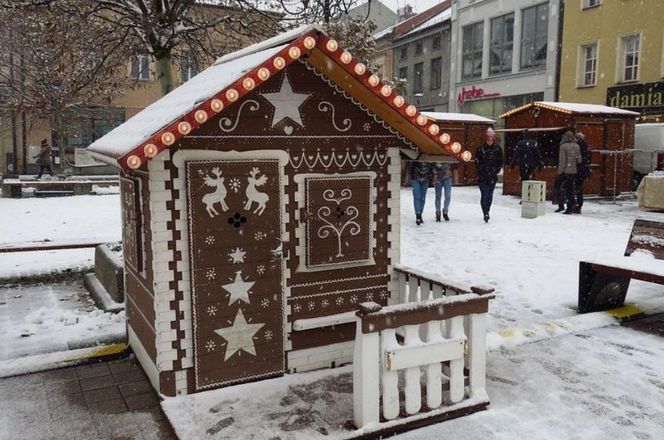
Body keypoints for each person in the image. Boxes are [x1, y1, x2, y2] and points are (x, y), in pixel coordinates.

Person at [475, 128, 503, 223]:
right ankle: (485, 212)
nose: (490, 140)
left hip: (492, 176)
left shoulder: (497, 149)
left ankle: (487, 211)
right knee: (485, 195)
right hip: (482, 176)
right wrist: (481, 169)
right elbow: (477, 161)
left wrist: (496, 170)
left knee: (490, 196)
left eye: (491, 138)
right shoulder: (480, 149)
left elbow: (500, 161)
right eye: (488, 138)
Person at [557, 131, 582, 214]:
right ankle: (572, 204)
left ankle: (566, 206)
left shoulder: (563, 146)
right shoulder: (577, 146)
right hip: (573, 171)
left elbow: (562, 160)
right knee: (571, 189)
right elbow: (579, 160)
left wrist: (559, 171)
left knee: (561, 188)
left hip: (565, 171)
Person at [406, 160, 432, 225]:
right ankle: (418, 215)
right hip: (415, 177)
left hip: (426, 178)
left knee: (423, 197)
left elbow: (432, 165)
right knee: (417, 197)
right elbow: (409, 165)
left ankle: (420, 213)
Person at [574, 132, 592, 214]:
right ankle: (579, 205)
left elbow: (578, 159)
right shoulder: (587, 146)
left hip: (578, 169)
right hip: (584, 170)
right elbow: (588, 159)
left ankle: (577, 205)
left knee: (577, 188)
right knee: (579, 188)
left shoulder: (578, 147)